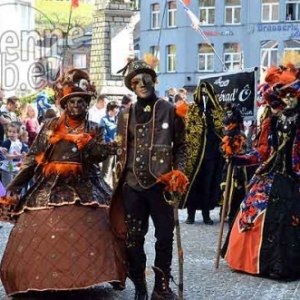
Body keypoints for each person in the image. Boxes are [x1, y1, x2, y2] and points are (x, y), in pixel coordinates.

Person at [0, 68, 126, 297]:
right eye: (72, 101)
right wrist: (15, 186)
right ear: (64, 104)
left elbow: (99, 155)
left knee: (103, 223)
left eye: (81, 101)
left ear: (87, 104)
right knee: (35, 227)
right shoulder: (49, 128)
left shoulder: (94, 129)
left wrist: (108, 147)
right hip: (50, 185)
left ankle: (102, 274)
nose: (77, 105)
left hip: (86, 184)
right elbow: (32, 160)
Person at [110, 55, 188, 299]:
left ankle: (161, 287)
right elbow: (120, 148)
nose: (141, 84)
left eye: (145, 79)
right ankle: (140, 287)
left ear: (154, 80)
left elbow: (182, 147)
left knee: (164, 236)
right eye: (136, 82)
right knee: (134, 239)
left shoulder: (170, 110)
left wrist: (179, 173)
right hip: (132, 186)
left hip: (161, 186)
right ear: (132, 86)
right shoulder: (125, 115)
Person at [222, 64, 300, 280]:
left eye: (292, 95)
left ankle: (280, 265)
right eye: (284, 95)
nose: (288, 100)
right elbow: (262, 153)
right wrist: (237, 159)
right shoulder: (271, 122)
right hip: (270, 177)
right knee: (252, 212)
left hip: (294, 180)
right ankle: (253, 262)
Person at [180, 81, 224, 225]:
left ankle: (206, 214)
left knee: (208, 184)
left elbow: (221, 130)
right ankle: (190, 214)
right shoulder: (192, 109)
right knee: (193, 183)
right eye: (202, 93)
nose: (204, 95)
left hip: (210, 155)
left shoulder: (216, 111)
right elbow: (188, 129)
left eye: (207, 93)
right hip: (195, 154)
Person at [0, 122, 28, 188]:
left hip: (17, 168)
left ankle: (13, 197)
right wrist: (16, 156)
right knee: (7, 186)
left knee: (15, 186)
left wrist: (24, 153)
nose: (11, 133)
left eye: (14, 132)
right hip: (7, 169)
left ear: (18, 133)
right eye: (10, 131)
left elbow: (24, 150)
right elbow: (5, 156)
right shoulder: (6, 142)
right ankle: (4, 197)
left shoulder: (19, 143)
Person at [100, 100, 120, 187]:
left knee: (116, 170)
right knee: (106, 171)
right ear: (111, 109)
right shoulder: (104, 120)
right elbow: (103, 134)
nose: (118, 110)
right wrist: (111, 141)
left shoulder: (118, 119)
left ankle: (113, 189)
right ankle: (104, 189)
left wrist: (118, 140)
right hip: (108, 149)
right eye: (116, 108)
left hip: (118, 149)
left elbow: (120, 133)